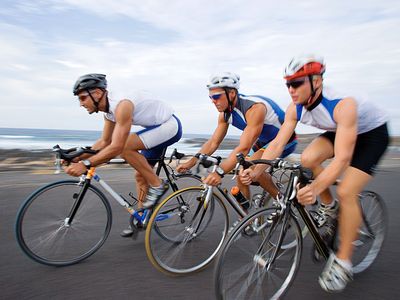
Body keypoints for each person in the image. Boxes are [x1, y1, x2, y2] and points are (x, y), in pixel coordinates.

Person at [240, 55, 389, 292]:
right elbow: (277, 144)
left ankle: (343, 261)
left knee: (347, 190)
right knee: (307, 159)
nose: (291, 89)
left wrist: (316, 188)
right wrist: (256, 171)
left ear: (317, 81)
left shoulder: (342, 103)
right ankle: (328, 208)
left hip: (371, 135)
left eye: (297, 83)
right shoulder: (295, 107)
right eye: (288, 83)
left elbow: (341, 159)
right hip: (339, 130)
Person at [65, 73, 182, 237]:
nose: (81, 104)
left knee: (125, 147)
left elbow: (117, 147)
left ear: (97, 93)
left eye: (83, 98)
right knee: (140, 176)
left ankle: (158, 185)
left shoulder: (122, 105)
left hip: (169, 126)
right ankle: (143, 217)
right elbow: (104, 142)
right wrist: (77, 157)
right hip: (155, 130)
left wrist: (85, 164)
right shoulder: (109, 112)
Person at [176, 72, 297, 203]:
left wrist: (219, 172)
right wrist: (190, 163)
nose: (213, 101)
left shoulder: (254, 108)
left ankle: (284, 202)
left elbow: (244, 147)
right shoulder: (225, 115)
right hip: (263, 141)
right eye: (210, 97)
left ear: (232, 93)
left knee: (252, 169)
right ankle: (245, 217)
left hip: (285, 141)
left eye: (216, 96)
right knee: (241, 173)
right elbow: (213, 143)